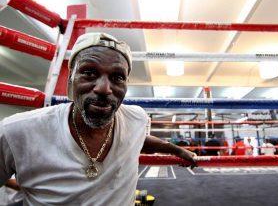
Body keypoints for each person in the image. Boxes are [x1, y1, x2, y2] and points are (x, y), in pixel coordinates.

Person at [0, 32, 197, 205]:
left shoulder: (136, 118)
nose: (104, 88)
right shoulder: (17, 131)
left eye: (117, 77)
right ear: (70, 80)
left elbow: (139, 140)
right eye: (89, 72)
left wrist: (178, 150)